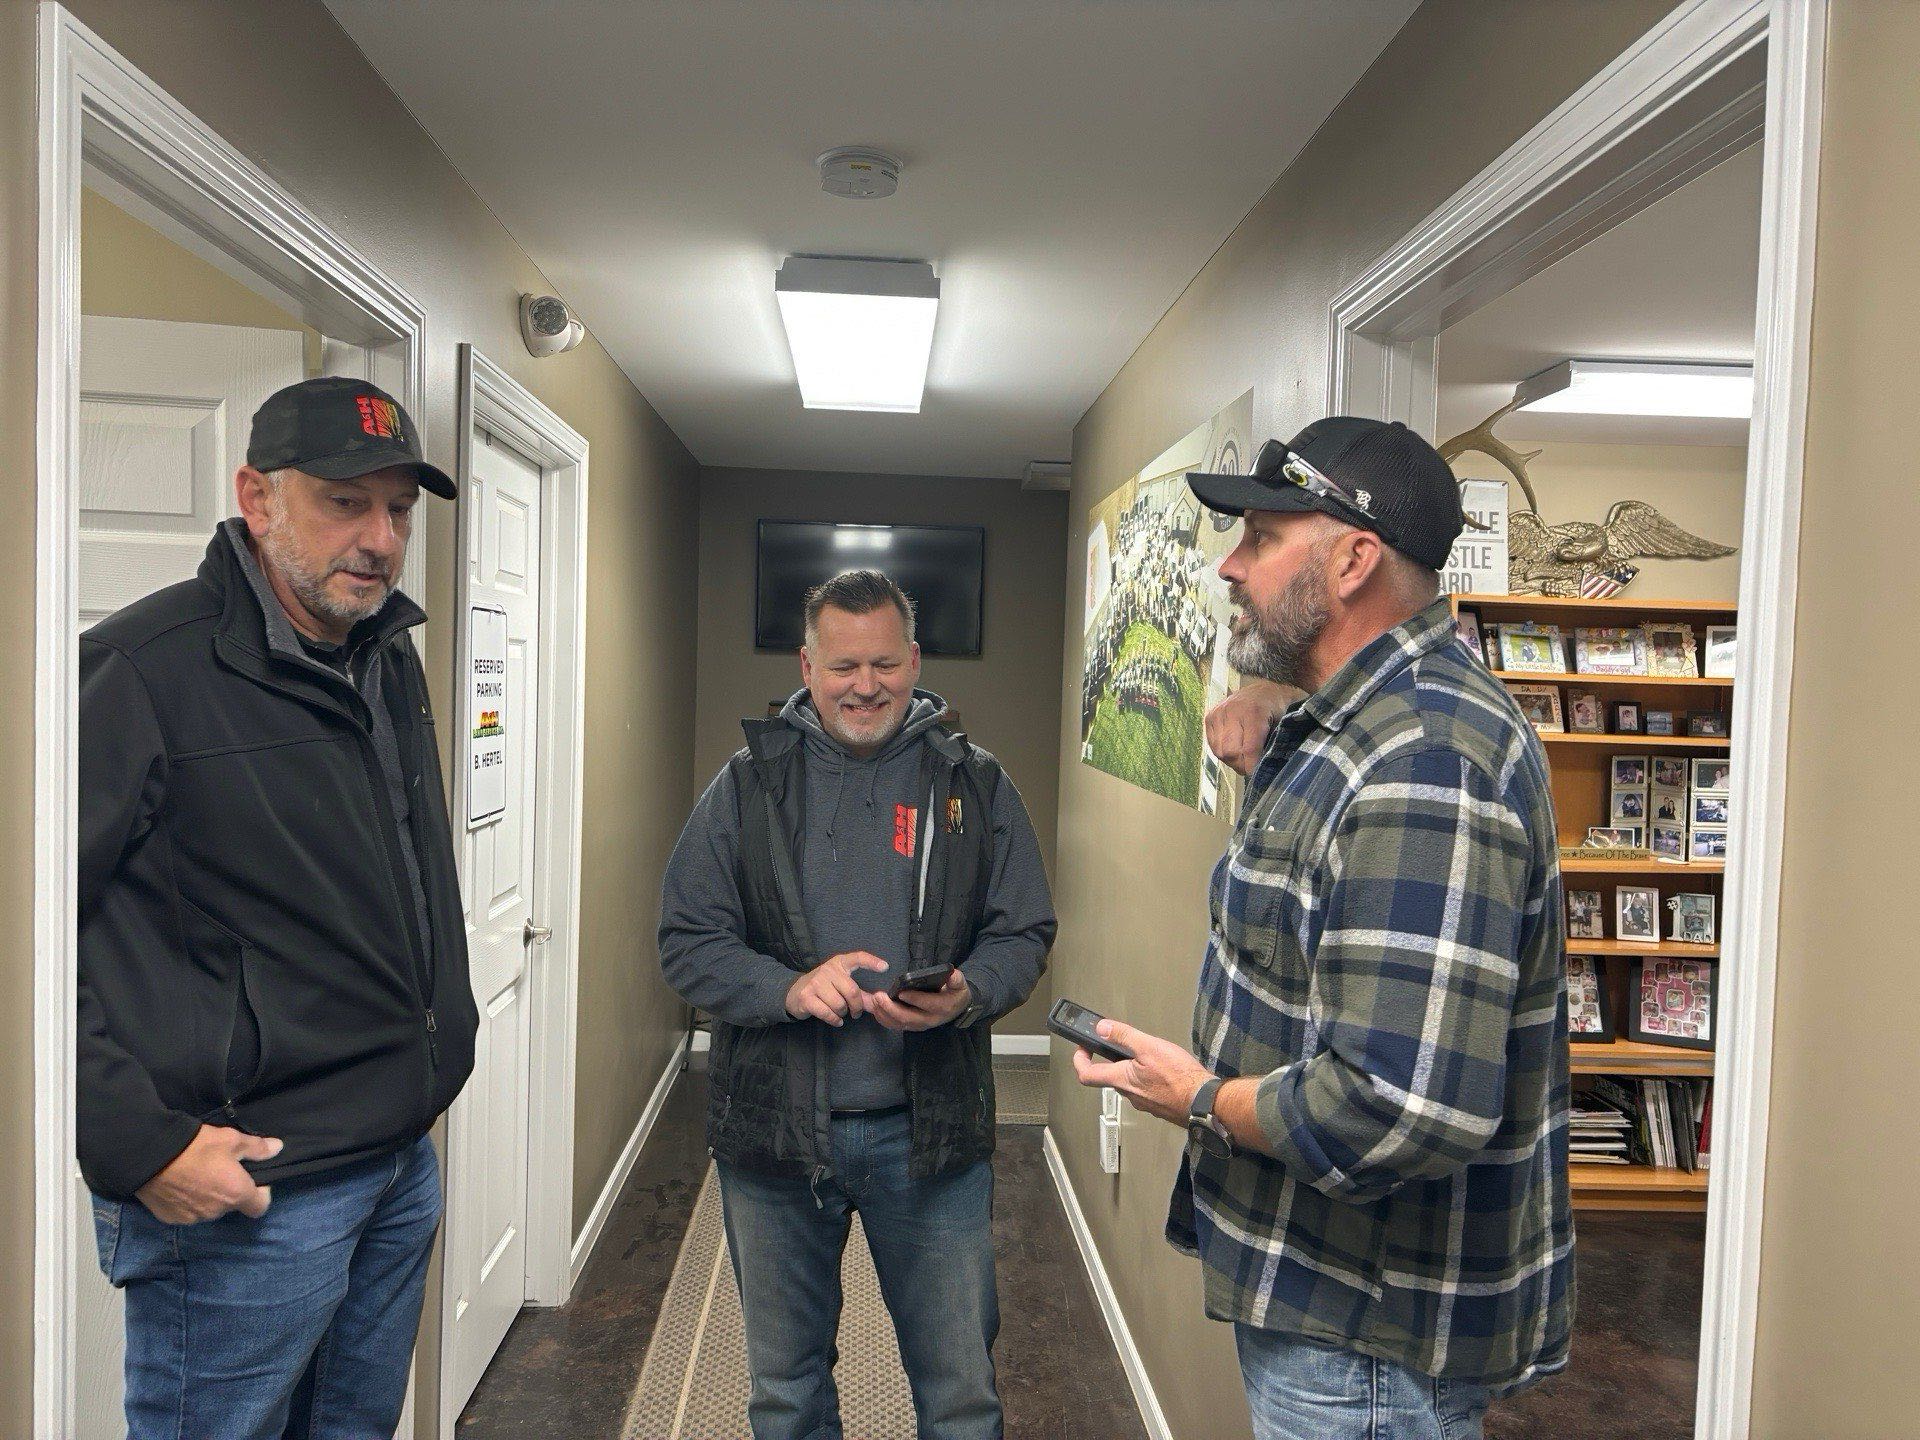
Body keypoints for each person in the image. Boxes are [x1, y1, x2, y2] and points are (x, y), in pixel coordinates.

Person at [1072, 419, 1573, 1440]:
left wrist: (1199, 1097)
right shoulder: (1363, 730)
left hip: (1368, 1340)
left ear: (1352, 561)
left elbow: (1399, 1106)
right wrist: (1278, 730)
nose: (1230, 564)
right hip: (1336, 1316)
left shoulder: (1425, 762)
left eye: (1261, 538)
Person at [79, 377, 478, 1439]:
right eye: (346, 502)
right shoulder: (139, 670)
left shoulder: (385, 655)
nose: (381, 540)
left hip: (397, 1162)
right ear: (257, 498)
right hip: (253, 1193)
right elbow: (19, 933)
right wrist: (135, 1143)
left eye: (399, 510)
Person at [659, 568, 1055, 1440]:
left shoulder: (974, 783)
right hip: (775, 1139)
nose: (864, 686)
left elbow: (1024, 930)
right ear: (807, 667)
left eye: (883, 664)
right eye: (843, 666)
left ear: (914, 660)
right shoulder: (746, 787)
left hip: (931, 1136)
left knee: (961, 1393)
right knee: (786, 1392)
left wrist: (968, 994)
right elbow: (686, 940)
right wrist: (787, 988)